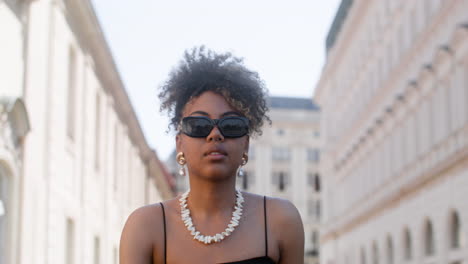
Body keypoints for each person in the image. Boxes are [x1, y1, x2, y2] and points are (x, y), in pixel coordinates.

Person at [119, 47, 304, 264]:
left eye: (231, 125)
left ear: (246, 143)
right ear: (179, 144)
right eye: (199, 124)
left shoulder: (280, 220)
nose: (215, 134)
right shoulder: (145, 227)